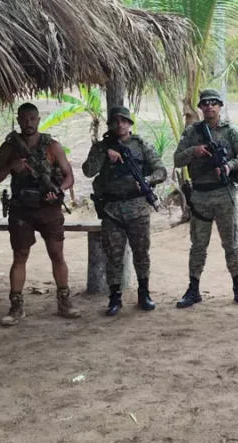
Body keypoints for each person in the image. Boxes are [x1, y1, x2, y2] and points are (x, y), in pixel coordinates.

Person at [0, 103, 80, 325]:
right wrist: (11, 166)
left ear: (38, 120)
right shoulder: (9, 148)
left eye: (32, 118)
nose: (28, 123)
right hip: (21, 210)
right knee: (20, 257)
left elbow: (69, 177)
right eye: (24, 119)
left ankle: (64, 302)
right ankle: (16, 306)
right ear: (18, 120)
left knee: (57, 255)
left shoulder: (53, 147)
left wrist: (58, 190)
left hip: (49, 208)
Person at [173, 89, 238, 309]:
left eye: (214, 103)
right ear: (200, 107)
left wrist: (230, 165)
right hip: (200, 195)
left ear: (220, 106)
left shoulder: (232, 131)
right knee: (198, 245)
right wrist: (194, 151)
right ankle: (193, 289)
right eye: (205, 103)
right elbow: (177, 160)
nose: (209, 106)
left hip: (224, 193)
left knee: (231, 244)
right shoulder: (192, 132)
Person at [82, 107, 166, 316]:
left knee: (141, 253)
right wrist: (104, 153)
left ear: (130, 123)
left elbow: (161, 171)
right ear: (110, 124)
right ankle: (114, 298)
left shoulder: (141, 145)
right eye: (116, 121)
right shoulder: (101, 147)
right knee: (114, 256)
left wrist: (146, 180)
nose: (120, 125)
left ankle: (144, 293)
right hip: (112, 210)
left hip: (138, 209)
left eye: (124, 121)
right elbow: (88, 171)